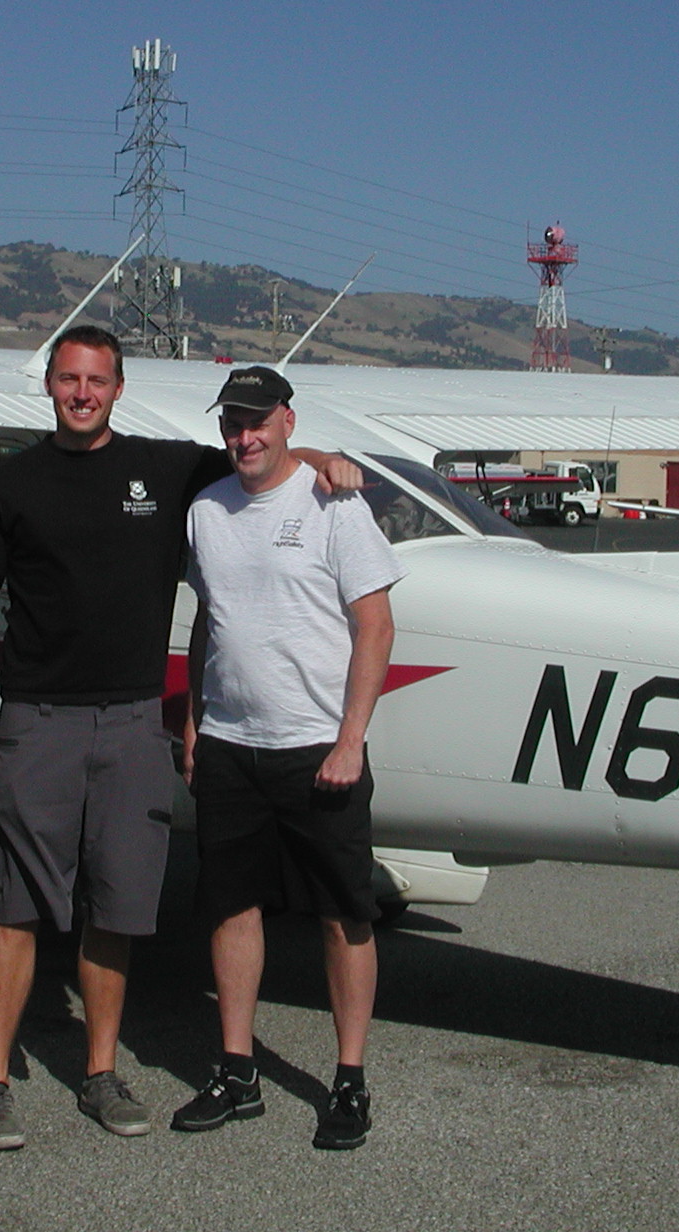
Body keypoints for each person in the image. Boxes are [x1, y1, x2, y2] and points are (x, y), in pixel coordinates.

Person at [0, 329, 359, 1151]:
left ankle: (100, 1073)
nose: (82, 392)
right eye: (69, 378)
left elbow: (260, 455)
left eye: (97, 379)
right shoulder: (9, 484)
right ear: (51, 387)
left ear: (120, 388)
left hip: (136, 721)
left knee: (118, 909)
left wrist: (322, 457)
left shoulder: (166, 470)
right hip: (37, 720)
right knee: (19, 908)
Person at [173, 366, 403, 1151]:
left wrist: (350, 739)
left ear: (286, 421)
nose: (244, 435)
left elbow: (376, 626)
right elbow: (213, 621)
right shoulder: (207, 510)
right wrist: (198, 722)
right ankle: (237, 1072)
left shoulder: (335, 503)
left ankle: (349, 1080)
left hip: (317, 748)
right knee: (231, 907)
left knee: (347, 913)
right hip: (234, 743)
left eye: (257, 421)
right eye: (233, 422)